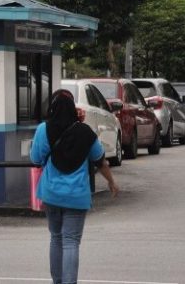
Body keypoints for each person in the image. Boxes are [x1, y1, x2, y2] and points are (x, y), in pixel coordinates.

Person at [30, 89, 119, 284]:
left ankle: (58, 281)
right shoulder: (86, 132)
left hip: (51, 194)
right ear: (73, 108)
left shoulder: (43, 130)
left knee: (56, 238)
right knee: (71, 241)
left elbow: (35, 159)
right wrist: (111, 182)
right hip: (76, 196)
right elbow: (100, 160)